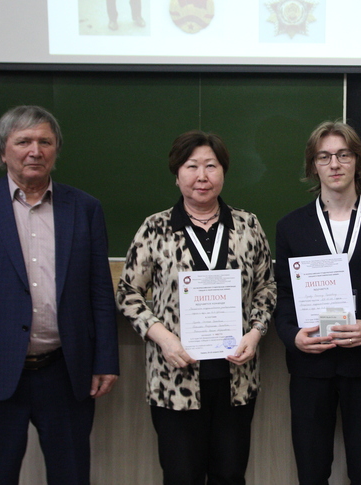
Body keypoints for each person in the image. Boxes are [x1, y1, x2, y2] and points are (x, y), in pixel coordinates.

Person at [0, 105, 120, 485]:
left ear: (56, 150)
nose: (35, 151)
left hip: (65, 371)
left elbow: (100, 292)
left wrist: (106, 360)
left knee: (71, 476)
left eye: (45, 142)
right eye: (23, 142)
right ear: (3, 150)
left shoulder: (84, 208)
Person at [116, 130, 276, 485]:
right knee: (181, 476)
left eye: (211, 166)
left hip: (236, 378)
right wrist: (164, 339)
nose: (202, 176)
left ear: (223, 172)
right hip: (176, 377)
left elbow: (266, 287)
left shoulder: (247, 226)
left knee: (230, 475)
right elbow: (128, 293)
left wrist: (255, 332)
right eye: (192, 166)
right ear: (177, 174)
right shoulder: (155, 228)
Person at [273, 121, 361, 485]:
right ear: (313, 166)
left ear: (357, 161)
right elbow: (282, 295)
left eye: (343, 155)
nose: (334, 164)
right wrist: (292, 336)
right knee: (311, 471)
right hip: (310, 366)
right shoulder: (291, 227)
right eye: (324, 157)